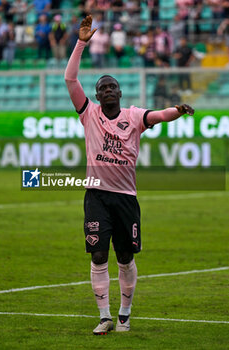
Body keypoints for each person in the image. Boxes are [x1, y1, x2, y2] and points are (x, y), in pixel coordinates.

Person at [64, 15, 194, 335]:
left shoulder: (134, 117)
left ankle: (125, 312)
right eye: (102, 88)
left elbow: (157, 115)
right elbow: (70, 80)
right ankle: (105, 316)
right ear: (97, 96)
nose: (107, 90)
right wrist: (81, 43)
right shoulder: (89, 115)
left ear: (120, 93)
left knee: (124, 256)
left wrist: (176, 111)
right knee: (97, 253)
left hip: (125, 198)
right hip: (96, 194)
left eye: (112, 87)